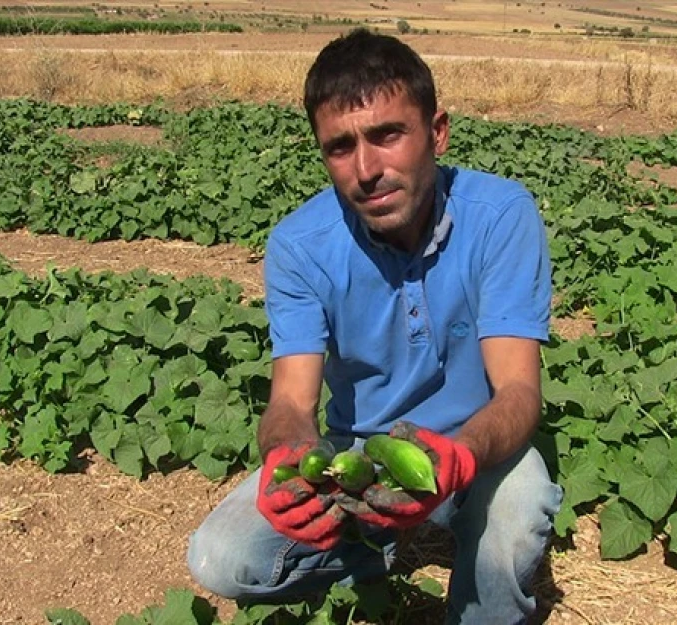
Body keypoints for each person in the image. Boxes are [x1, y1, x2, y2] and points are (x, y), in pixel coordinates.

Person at [187, 29, 563, 624]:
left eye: (388, 135)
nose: (366, 169)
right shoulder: (299, 246)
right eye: (340, 146)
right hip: (358, 454)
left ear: (436, 131)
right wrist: (290, 459)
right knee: (221, 557)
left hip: (475, 449)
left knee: (518, 516)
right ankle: (375, 544)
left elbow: (517, 390)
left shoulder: (501, 216)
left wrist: (458, 460)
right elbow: (290, 399)